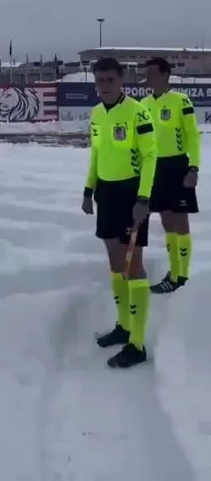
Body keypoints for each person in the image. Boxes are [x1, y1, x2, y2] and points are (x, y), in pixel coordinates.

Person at [82, 57, 157, 369]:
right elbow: (97, 154)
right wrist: (88, 190)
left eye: (110, 79)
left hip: (131, 195)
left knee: (133, 265)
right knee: (116, 264)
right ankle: (124, 326)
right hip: (106, 194)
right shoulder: (97, 114)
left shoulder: (138, 112)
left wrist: (143, 198)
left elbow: (150, 156)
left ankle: (137, 344)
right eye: (100, 80)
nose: (105, 85)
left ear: (121, 80)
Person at [143, 57, 201, 294]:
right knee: (167, 221)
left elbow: (193, 135)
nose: (148, 78)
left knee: (180, 221)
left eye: (152, 73)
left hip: (177, 166)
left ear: (165, 75)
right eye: (146, 74)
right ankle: (173, 272)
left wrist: (193, 168)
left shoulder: (180, 101)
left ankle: (181, 275)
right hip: (155, 168)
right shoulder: (144, 104)